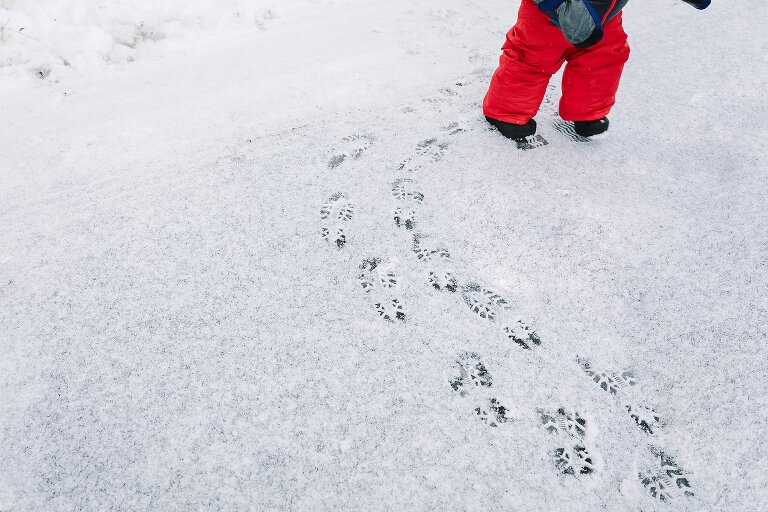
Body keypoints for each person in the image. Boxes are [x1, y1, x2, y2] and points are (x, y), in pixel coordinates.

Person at [483, 0, 711, 142]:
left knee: (603, 60)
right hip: (547, 16)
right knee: (530, 59)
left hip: (605, 16)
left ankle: (588, 114)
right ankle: (507, 115)